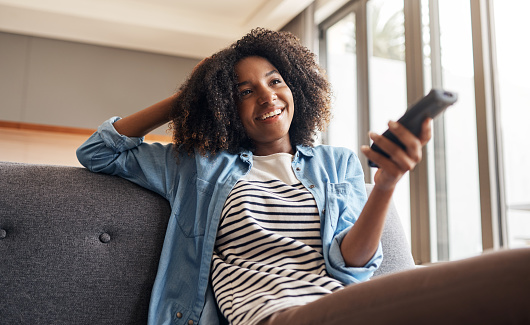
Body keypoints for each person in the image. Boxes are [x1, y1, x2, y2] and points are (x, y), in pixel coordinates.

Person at [77, 28, 529, 325]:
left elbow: (351, 264)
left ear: (296, 87)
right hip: (269, 316)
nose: (268, 97)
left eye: (276, 81)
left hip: (336, 304)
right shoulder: (197, 165)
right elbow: (98, 151)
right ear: (224, 107)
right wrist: (188, 98)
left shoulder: (339, 164)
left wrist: (387, 183)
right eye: (244, 91)